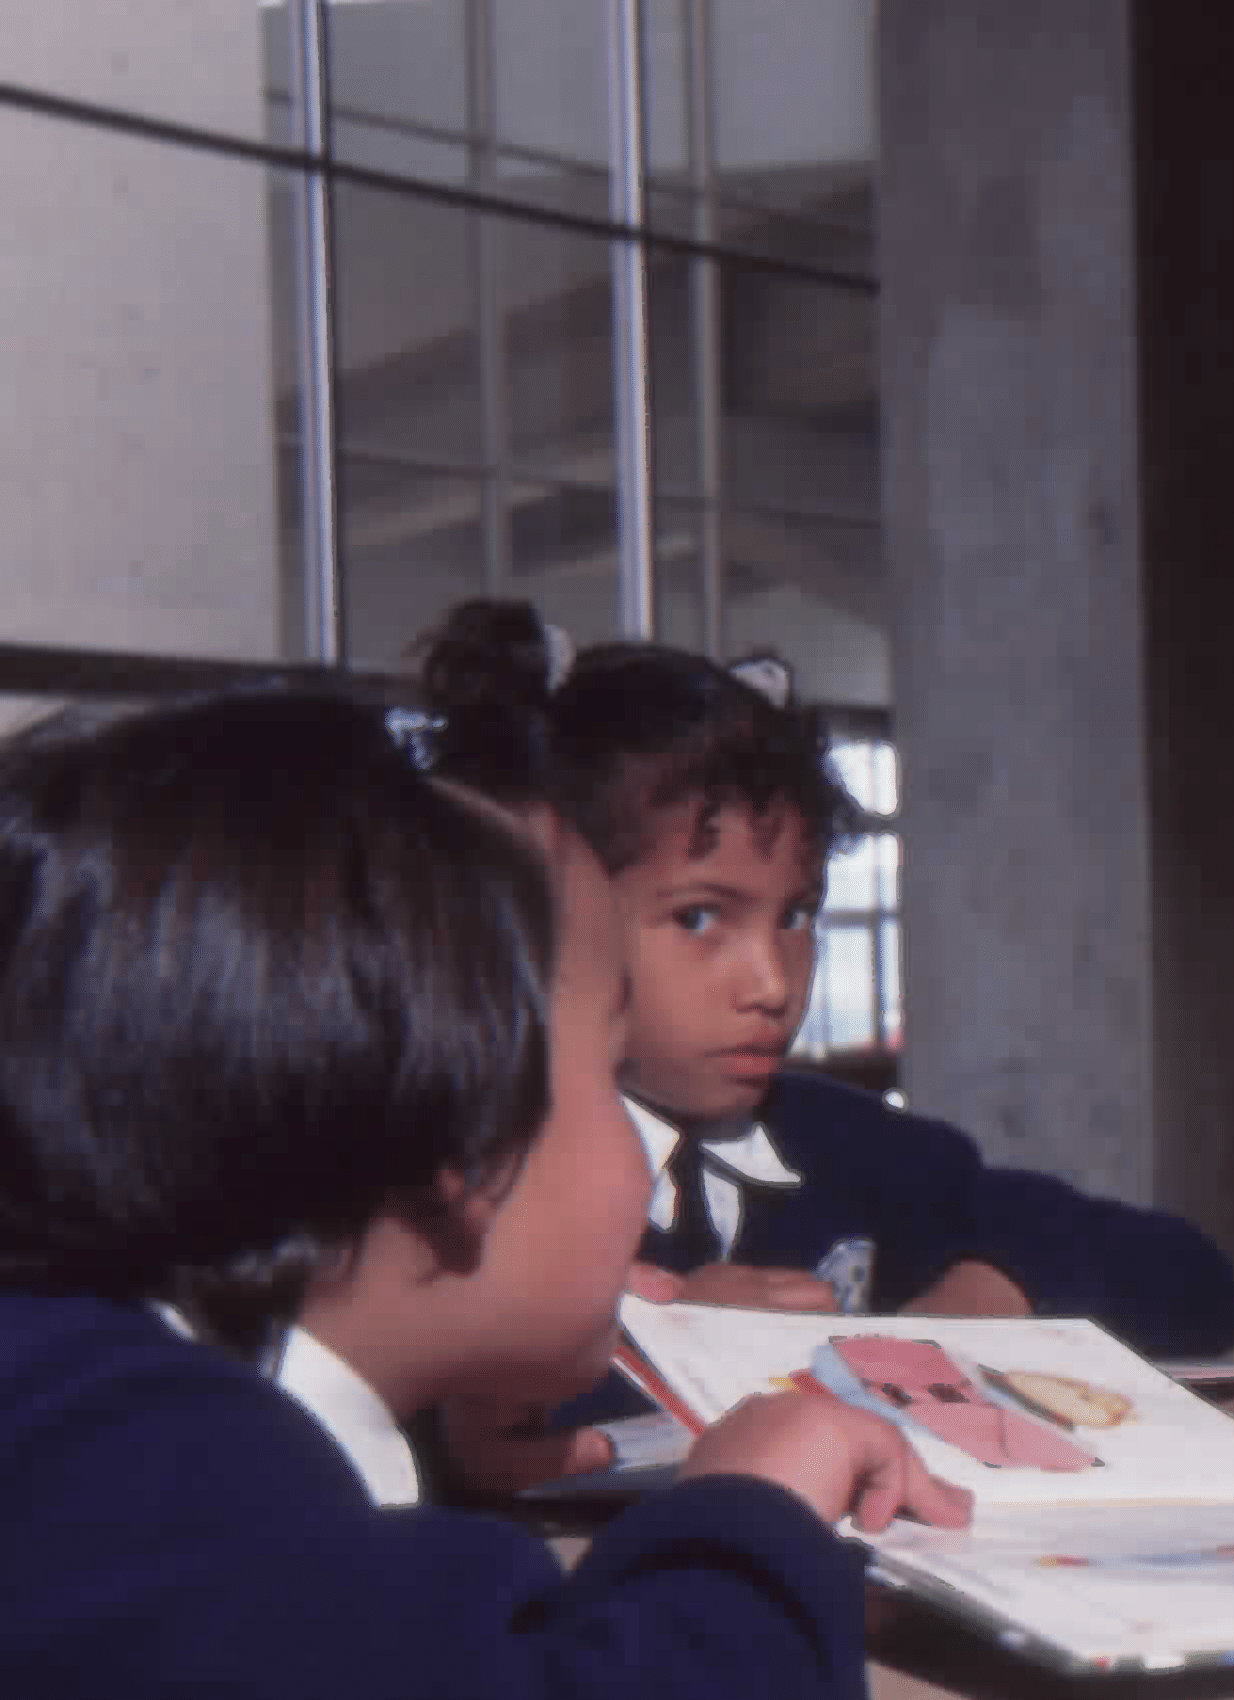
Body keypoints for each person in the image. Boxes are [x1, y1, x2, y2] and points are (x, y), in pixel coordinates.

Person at [0, 690, 968, 1696]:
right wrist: (750, 1510)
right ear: (464, 1140)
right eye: (606, 1071)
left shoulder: (93, 1408)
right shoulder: (163, 1474)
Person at [410, 601, 1234, 1480]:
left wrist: (965, 1312)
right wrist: (674, 1339)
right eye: (699, 917)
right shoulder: (470, 1171)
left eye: (796, 915)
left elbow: (1189, 1279)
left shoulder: (844, 1146)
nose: (772, 982)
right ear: (547, 911)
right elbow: (435, 1418)